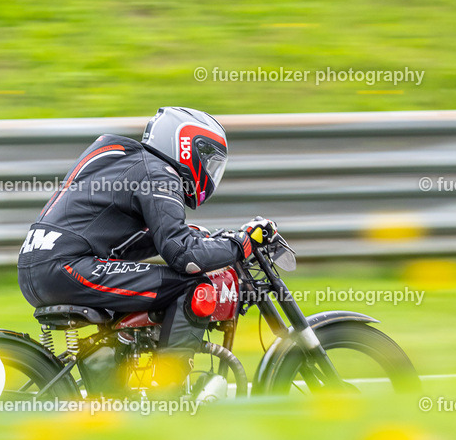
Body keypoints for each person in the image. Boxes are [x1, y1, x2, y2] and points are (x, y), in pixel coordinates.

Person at [17, 106, 274, 393]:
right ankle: (169, 393)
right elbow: (184, 257)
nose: (210, 171)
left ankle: (121, 382)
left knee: (160, 285)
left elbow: (125, 245)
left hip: (42, 267)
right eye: (208, 159)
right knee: (193, 286)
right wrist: (242, 244)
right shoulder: (159, 173)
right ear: (187, 146)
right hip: (67, 268)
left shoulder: (132, 162)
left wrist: (195, 238)